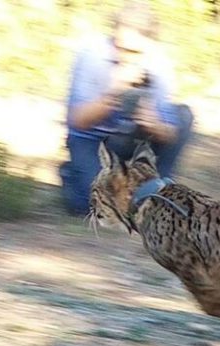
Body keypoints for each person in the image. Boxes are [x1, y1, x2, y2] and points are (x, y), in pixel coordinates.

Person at [60, 0, 193, 216]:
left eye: (134, 52)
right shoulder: (91, 55)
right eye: (120, 48)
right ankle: (74, 176)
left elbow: (170, 132)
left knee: (184, 116)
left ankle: (159, 188)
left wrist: (155, 125)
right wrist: (113, 94)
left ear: (150, 44)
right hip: (93, 139)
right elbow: (77, 121)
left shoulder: (159, 63)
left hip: (132, 137)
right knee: (91, 207)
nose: (125, 57)